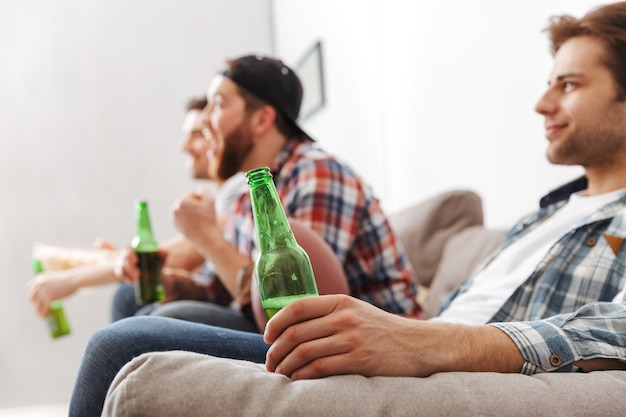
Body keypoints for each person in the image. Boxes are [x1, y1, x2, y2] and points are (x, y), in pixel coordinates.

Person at [69, 4, 626, 414]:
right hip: (413, 341)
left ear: (262, 119)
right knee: (137, 309)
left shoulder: (314, 172)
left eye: (570, 84)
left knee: (124, 344)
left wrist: (422, 340)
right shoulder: (542, 217)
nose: (541, 103)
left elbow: (295, 298)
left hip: (438, 356)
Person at [111, 53, 421, 329]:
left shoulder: (316, 172)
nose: (204, 120)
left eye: (217, 104)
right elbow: (218, 288)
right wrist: (171, 282)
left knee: (156, 328)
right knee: (131, 297)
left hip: (368, 337)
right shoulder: (250, 191)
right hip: (281, 323)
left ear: (261, 120)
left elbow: (301, 305)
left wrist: (206, 237)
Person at [25, 97, 243, 321]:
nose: (184, 146)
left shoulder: (239, 188)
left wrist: (73, 280)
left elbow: (178, 256)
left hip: (242, 316)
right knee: (134, 295)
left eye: (199, 134)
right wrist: (118, 260)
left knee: (129, 296)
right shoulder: (221, 197)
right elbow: (193, 263)